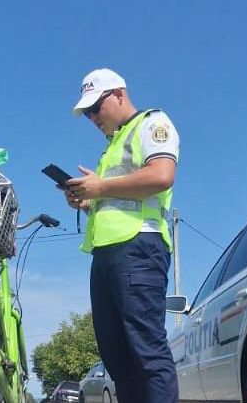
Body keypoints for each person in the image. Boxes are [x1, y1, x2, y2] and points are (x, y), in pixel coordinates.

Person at [64, 68, 180, 403]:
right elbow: (112, 197)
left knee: (147, 352)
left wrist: (100, 187)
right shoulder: (111, 146)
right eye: (87, 113)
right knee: (118, 359)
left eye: (95, 108)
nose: (92, 118)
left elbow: (162, 175)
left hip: (139, 247)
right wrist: (88, 201)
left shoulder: (152, 123)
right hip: (106, 255)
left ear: (118, 94)